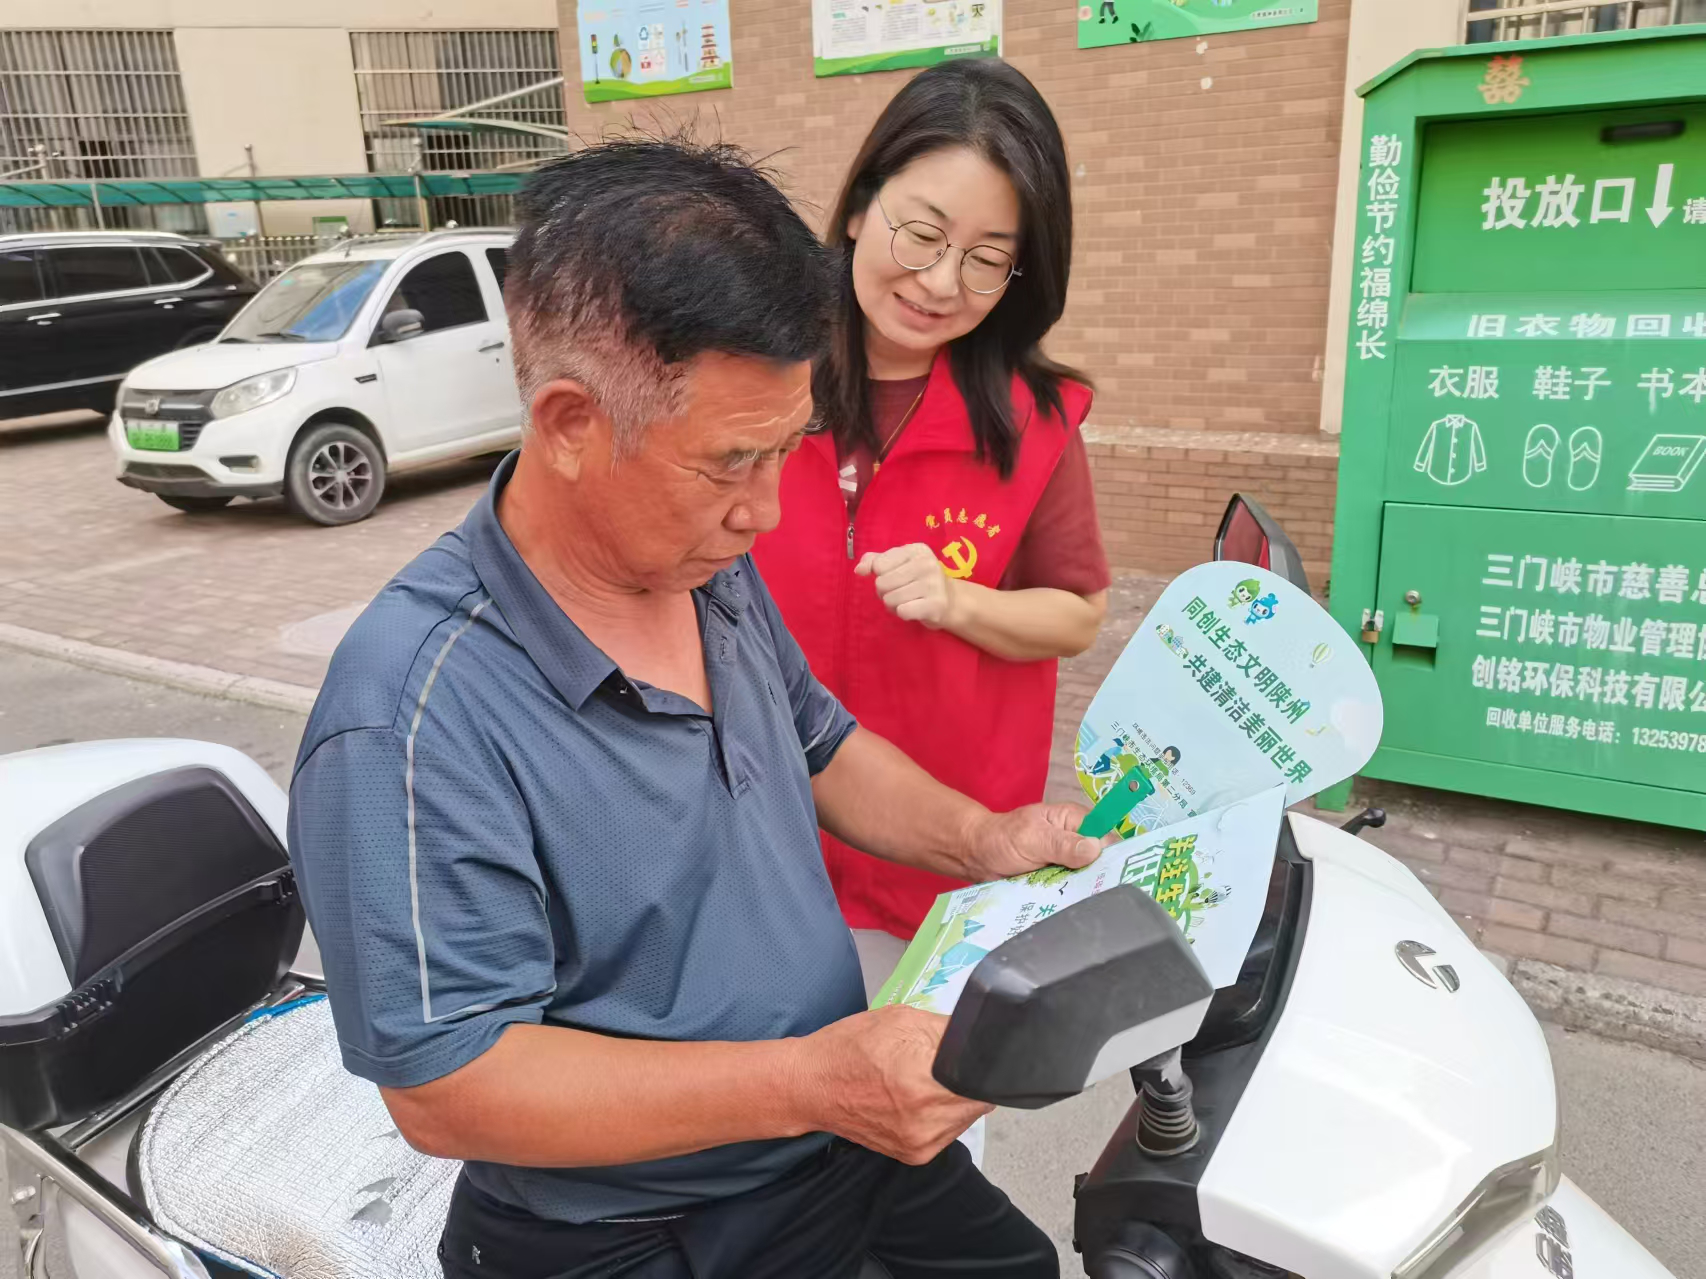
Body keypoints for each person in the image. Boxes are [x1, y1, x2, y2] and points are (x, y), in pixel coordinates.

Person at [286, 138, 1104, 1279]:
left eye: (787, 450)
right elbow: (448, 1087)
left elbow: (823, 744)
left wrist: (985, 837)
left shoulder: (704, 570)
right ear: (570, 423)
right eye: (729, 462)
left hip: (832, 1139)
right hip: (639, 1233)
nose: (764, 511)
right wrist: (810, 1078)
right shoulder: (412, 713)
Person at [752, 60, 1110, 996]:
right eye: (923, 233)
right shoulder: (753, 380)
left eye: (989, 257)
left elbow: (1077, 613)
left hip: (948, 861)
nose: (942, 282)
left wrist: (961, 603)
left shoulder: (1031, 421)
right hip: (759, 850)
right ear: (863, 204)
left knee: (927, 1128)